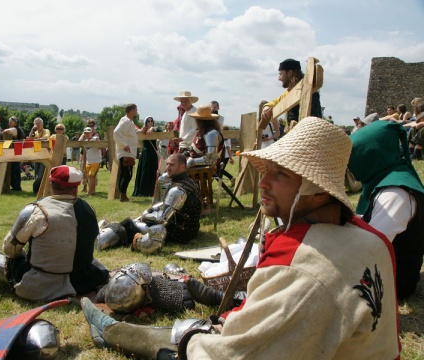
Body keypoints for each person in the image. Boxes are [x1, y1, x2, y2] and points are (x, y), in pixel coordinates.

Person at [81, 117, 400, 360]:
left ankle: (114, 332)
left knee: (195, 341)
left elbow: (236, 353)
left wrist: (194, 341)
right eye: (266, 170)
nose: (263, 183)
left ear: (317, 192)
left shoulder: (301, 262)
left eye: (280, 174)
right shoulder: (373, 240)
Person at [0, 165, 110, 301]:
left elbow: (9, 249)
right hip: (83, 281)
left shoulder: (37, 211)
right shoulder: (89, 209)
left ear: (50, 185)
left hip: (41, 285)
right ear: (75, 189)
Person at [348, 120, 424, 300]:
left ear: (370, 157)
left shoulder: (395, 193)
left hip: (391, 283)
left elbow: (370, 248)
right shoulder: (385, 178)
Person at [96, 153, 202, 254]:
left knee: (131, 225)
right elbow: (167, 206)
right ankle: (108, 231)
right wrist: (152, 211)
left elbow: (162, 221)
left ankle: (101, 240)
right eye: (168, 164)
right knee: (135, 222)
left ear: (182, 167)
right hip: (187, 228)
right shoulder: (189, 182)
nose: (168, 167)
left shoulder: (178, 190)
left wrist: (145, 215)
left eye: (172, 165)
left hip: (180, 232)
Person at [261, 59, 322, 132]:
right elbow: (277, 101)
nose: (279, 78)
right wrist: (267, 106)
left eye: (281, 74)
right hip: (295, 134)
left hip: (307, 133)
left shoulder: (306, 88)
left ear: (289, 73)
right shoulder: (289, 92)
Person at [186, 104, 224, 169]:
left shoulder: (211, 134)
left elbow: (210, 159)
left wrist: (190, 162)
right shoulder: (202, 132)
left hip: (200, 167)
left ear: (200, 121)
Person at [113, 103, 138, 202]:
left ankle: (122, 194)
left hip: (127, 151)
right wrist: (124, 145)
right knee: (127, 174)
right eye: (135, 110)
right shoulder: (126, 121)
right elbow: (116, 132)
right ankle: (122, 195)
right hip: (126, 152)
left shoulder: (129, 122)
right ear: (132, 111)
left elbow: (129, 134)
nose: (136, 112)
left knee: (125, 173)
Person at [133, 116, 160, 197]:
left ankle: (152, 191)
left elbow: (160, 130)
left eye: (152, 120)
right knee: (145, 172)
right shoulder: (142, 130)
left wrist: (153, 129)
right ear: (146, 122)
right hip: (146, 153)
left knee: (153, 171)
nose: (150, 122)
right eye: (148, 121)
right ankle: (143, 191)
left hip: (153, 153)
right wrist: (140, 130)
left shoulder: (155, 130)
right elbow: (135, 132)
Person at [27, 117, 51, 193]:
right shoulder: (35, 132)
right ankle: (37, 191)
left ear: (42, 124)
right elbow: (30, 139)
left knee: (40, 175)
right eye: (36, 123)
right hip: (36, 156)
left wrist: (35, 140)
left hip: (44, 156)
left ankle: (36, 189)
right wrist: (32, 130)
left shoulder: (46, 131)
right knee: (36, 174)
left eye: (38, 123)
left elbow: (45, 138)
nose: (37, 125)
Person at [2, 116, 25, 191]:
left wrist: (3, 131)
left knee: (12, 170)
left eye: (10, 122)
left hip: (14, 152)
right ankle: (17, 186)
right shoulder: (20, 129)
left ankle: (16, 187)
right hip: (17, 152)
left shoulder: (15, 129)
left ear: (14, 122)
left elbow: (7, 131)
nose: (9, 123)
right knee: (16, 170)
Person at [79, 119, 100, 193]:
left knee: (92, 175)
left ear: (94, 126)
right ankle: (85, 186)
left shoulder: (96, 135)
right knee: (84, 171)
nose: (90, 127)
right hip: (85, 155)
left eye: (92, 125)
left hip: (93, 157)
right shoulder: (85, 133)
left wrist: (90, 136)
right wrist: (84, 133)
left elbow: (97, 140)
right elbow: (79, 141)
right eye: (88, 125)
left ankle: (91, 190)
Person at [83, 126, 101, 196]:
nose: (87, 134)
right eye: (85, 133)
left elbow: (100, 145)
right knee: (90, 176)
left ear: (91, 133)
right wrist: (85, 162)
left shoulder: (95, 138)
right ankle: (93, 191)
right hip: (88, 161)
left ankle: (89, 192)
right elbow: (85, 153)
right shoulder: (84, 142)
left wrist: (94, 141)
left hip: (96, 161)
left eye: (88, 133)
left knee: (91, 176)